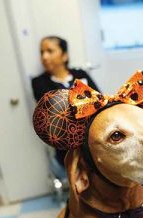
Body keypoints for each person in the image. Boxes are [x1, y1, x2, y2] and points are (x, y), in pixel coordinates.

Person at [31, 36, 100, 178]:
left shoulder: (80, 74)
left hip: (92, 136)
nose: (44, 57)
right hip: (65, 141)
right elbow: (55, 110)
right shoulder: (39, 82)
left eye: (50, 51)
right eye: (42, 52)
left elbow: (99, 100)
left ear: (64, 55)